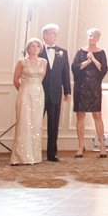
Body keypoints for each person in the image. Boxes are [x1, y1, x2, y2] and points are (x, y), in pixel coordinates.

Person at [71, 28, 108, 158]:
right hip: (81, 87)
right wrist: (87, 61)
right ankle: (80, 146)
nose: (91, 38)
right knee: (80, 116)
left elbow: (103, 69)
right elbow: (74, 68)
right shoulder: (80, 51)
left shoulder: (101, 53)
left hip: (94, 87)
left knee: (97, 115)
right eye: (89, 36)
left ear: (98, 38)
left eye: (93, 36)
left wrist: (93, 58)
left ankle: (102, 146)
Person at [10, 40, 47, 166]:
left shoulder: (43, 62)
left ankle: (35, 156)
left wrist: (35, 89)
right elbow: (15, 80)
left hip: (39, 93)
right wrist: (24, 90)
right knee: (24, 122)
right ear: (28, 48)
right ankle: (21, 156)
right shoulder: (22, 62)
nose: (35, 48)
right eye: (33, 46)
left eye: (38, 46)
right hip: (25, 93)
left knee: (36, 123)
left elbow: (42, 78)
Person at [38, 24, 72, 162]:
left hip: (55, 92)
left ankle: (52, 153)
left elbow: (65, 73)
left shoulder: (62, 52)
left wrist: (67, 91)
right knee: (35, 122)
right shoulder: (37, 51)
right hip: (38, 92)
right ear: (45, 35)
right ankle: (33, 152)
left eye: (56, 33)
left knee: (53, 125)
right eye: (53, 33)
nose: (55, 36)